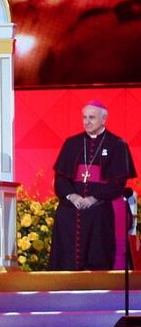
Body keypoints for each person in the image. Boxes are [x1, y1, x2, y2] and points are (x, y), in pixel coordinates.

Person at [49, 100, 136, 270]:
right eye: (84, 117)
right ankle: (65, 270)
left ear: (104, 119)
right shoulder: (71, 143)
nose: (86, 121)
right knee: (64, 213)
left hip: (102, 202)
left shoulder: (117, 144)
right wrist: (72, 196)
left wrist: (93, 198)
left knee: (98, 215)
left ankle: (98, 271)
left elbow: (118, 183)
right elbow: (60, 179)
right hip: (74, 202)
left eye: (92, 118)